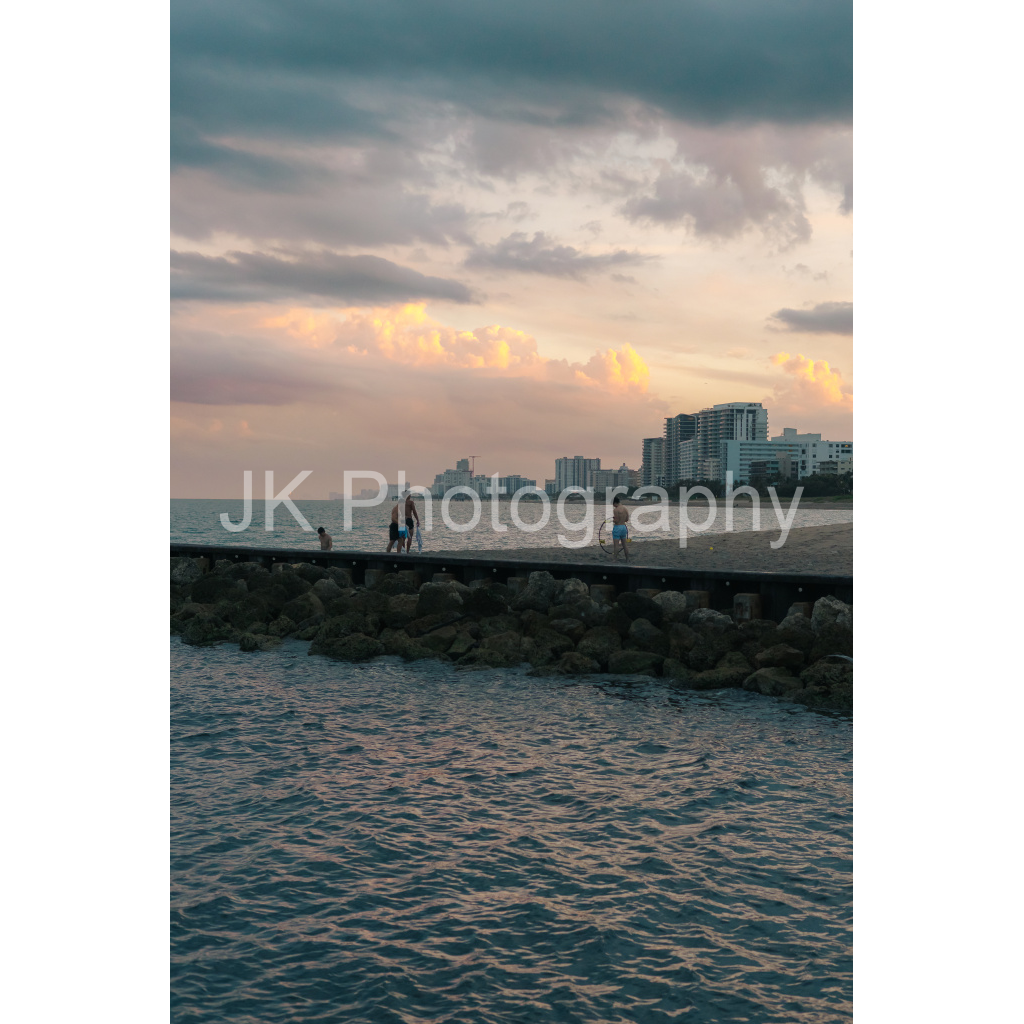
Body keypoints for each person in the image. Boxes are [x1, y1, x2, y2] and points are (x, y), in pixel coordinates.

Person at [611, 495, 630, 561]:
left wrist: (613, 520)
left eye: (613, 504)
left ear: (614, 503)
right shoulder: (625, 509)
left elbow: (616, 521)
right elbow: (626, 519)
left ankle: (615, 559)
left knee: (616, 545)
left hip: (617, 527)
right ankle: (627, 559)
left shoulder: (616, 510)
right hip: (624, 527)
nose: (613, 506)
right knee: (624, 545)